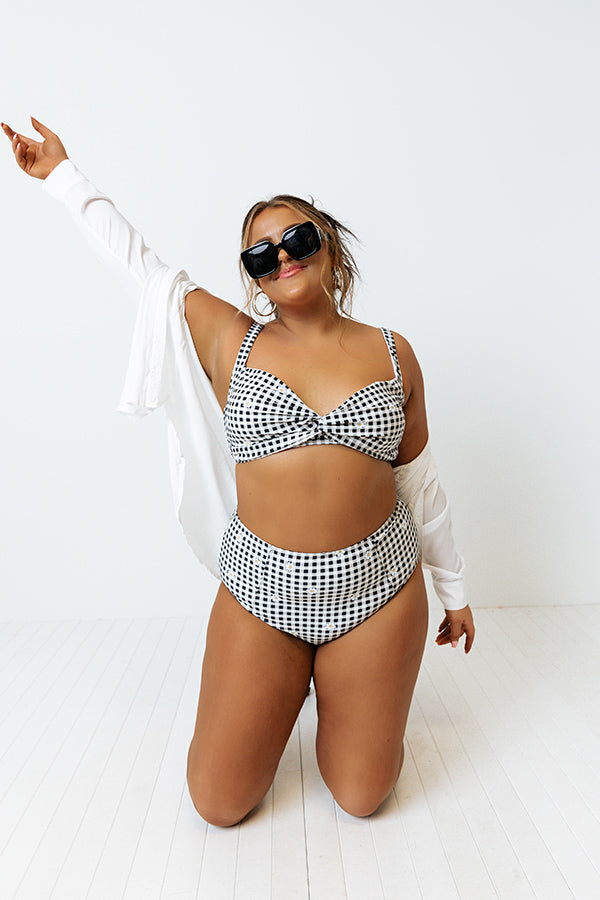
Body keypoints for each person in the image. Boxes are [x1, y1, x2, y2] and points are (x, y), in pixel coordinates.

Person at [3, 116, 475, 827]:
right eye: (261, 254)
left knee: (362, 797)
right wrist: (63, 177)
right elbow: (142, 268)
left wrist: (454, 589)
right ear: (252, 275)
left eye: (298, 240)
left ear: (330, 246)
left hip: (378, 589)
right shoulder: (232, 340)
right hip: (263, 591)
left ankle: (350, 696)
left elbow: (419, 482)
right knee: (218, 804)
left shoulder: (393, 351)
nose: (282, 257)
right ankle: (289, 685)